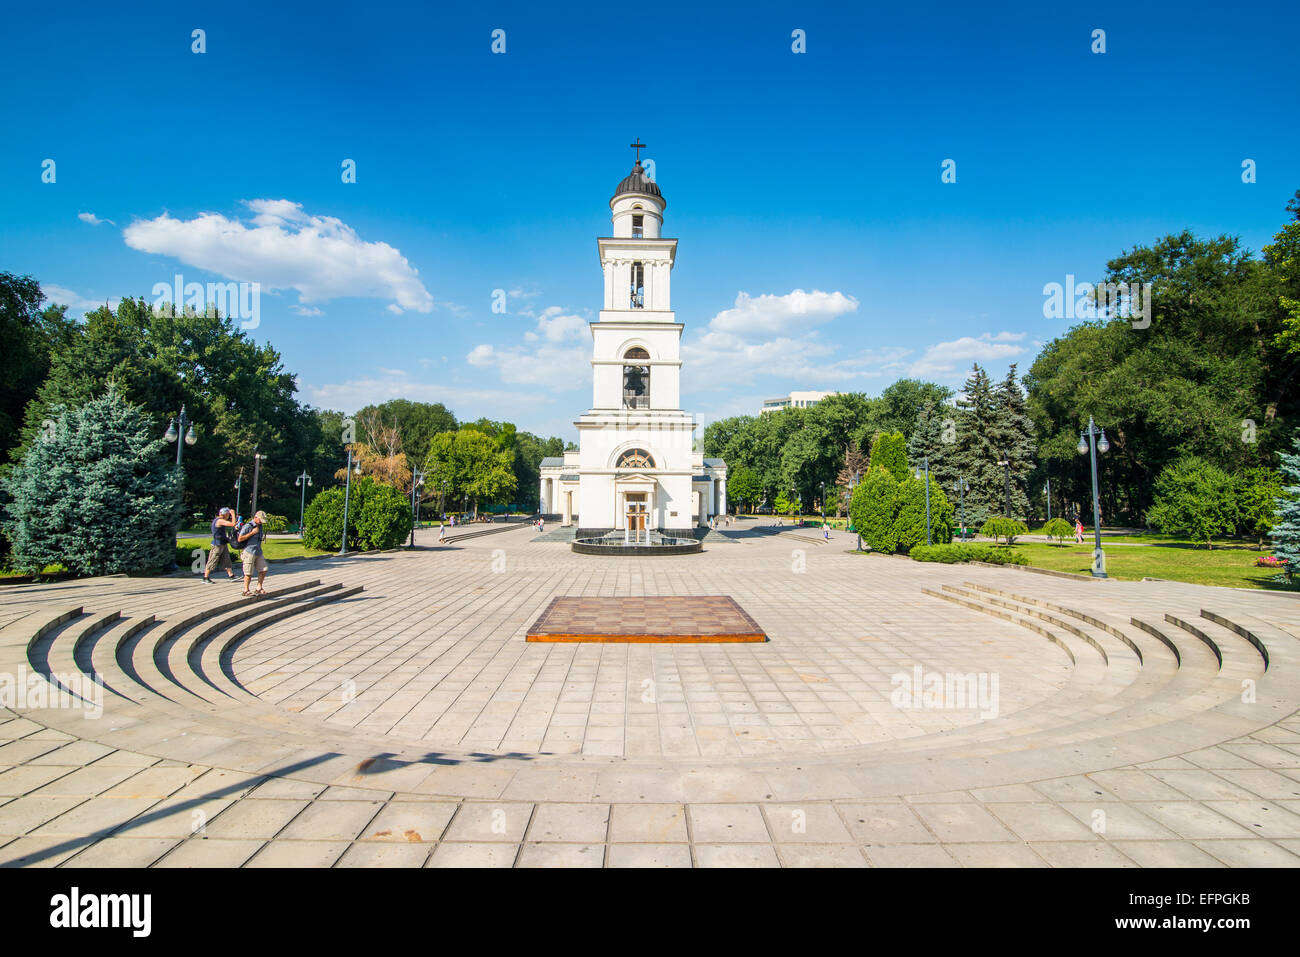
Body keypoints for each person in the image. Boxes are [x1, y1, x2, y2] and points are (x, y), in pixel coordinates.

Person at [237, 511, 269, 596]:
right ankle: (246, 590)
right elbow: (240, 539)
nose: (261, 522)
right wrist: (252, 533)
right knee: (248, 572)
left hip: (258, 551)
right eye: (260, 520)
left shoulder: (260, 526)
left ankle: (259, 587)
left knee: (264, 569)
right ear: (255, 517)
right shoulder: (248, 526)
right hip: (249, 551)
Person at [204, 507, 238, 583]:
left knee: (226, 559)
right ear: (225, 514)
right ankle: (205, 577)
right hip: (217, 544)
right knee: (212, 560)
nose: (228, 516)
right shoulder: (219, 521)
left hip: (223, 543)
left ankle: (231, 575)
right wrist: (233, 514)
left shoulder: (221, 520)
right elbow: (232, 524)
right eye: (228, 514)